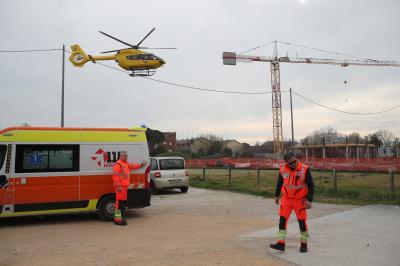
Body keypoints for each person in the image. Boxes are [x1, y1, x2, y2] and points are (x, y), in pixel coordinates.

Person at [269, 152, 314, 253]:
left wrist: (309, 200)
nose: (294, 164)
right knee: (282, 221)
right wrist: (276, 195)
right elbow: (280, 182)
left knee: (302, 222)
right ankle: (281, 243)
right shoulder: (282, 168)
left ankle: (304, 244)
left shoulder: (304, 169)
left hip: (300, 200)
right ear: (286, 163)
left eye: (294, 161)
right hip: (286, 200)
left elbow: (311, 185)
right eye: (291, 163)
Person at [112, 151, 147, 226]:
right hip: (120, 188)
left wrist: (141, 165)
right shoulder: (118, 165)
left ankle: (120, 218)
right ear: (121, 156)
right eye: (124, 155)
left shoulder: (126, 163)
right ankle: (118, 219)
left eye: (127, 155)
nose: (126, 157)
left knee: (122, 204)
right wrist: (118, 186)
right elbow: (115, 176)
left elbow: (133, 166)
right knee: (119, 204)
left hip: (124, 187)